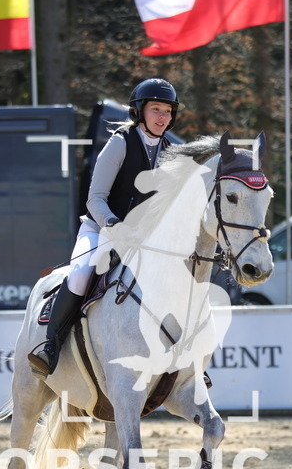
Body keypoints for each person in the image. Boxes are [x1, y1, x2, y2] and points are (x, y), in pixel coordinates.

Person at [29, 77, 180, 376]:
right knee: (80, 275)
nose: (163, 117)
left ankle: (184, 358)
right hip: (100, 228)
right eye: (156, 109)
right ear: (139, 110)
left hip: (142, 239)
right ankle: (51, 345)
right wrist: (114, 225)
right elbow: (95, 198)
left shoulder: (171, 152)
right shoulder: (120, 143)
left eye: (167, 111)